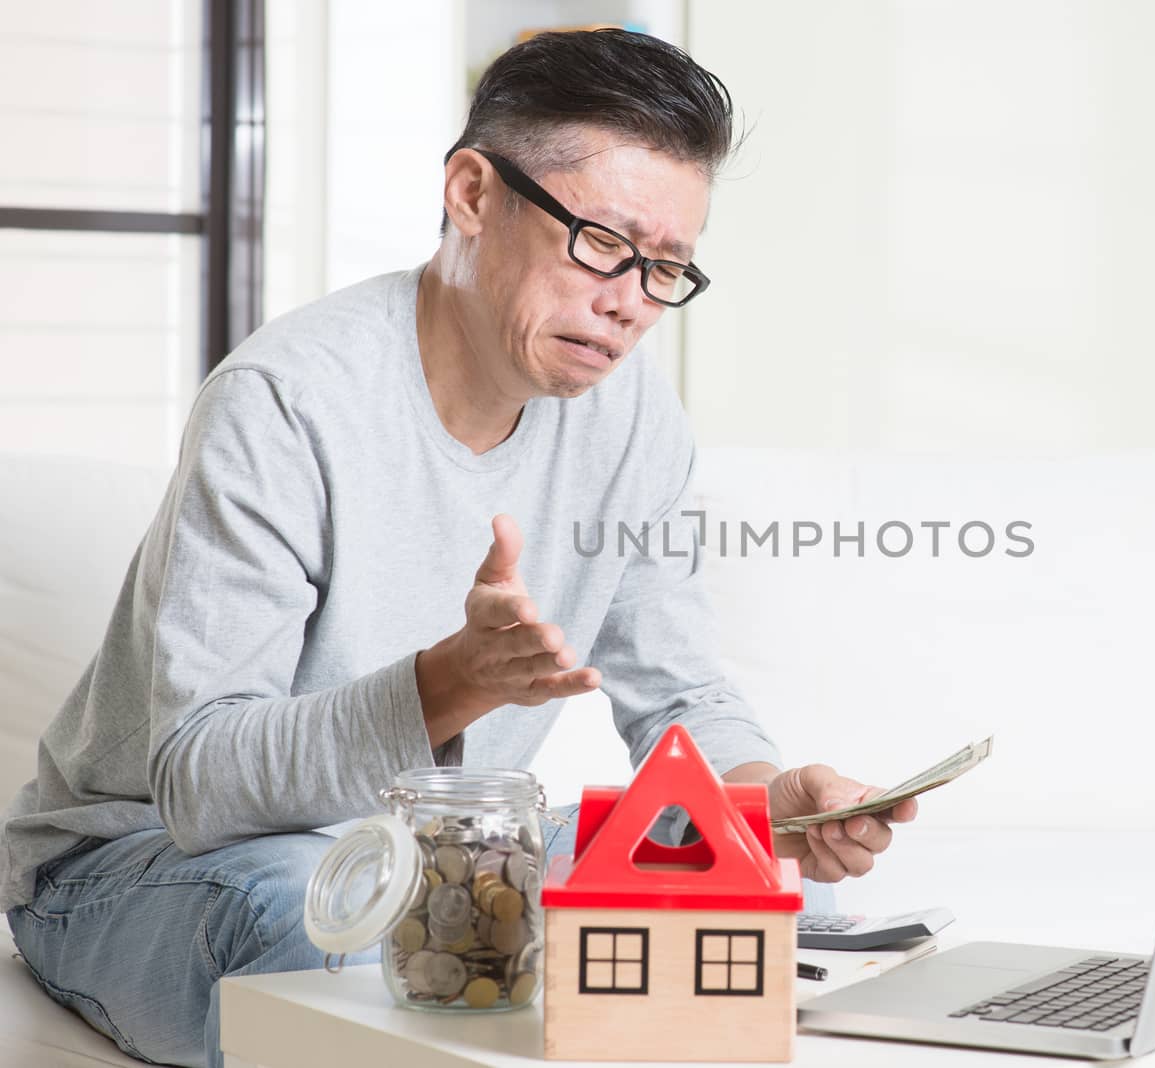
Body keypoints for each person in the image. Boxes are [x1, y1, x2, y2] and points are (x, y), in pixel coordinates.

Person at [0, 30, 915, 1068]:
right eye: (602, 242)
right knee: (326, 917)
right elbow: (203, 783)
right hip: (149, 863)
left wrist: (755, 803)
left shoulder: (633, 423)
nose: (628, 302)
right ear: (474, 195)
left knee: (754, 876)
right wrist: (450, 683)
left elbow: (681, 695)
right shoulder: (285, 404)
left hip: (450, 856)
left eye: (666, 269)